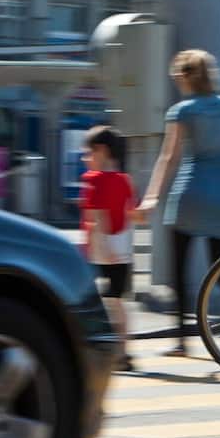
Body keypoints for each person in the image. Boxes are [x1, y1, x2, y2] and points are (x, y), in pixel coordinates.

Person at [135, 49, 220, 357]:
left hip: (189, 195)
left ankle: (182, 342)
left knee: (179, 271)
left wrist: (151, 197)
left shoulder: (183, 111)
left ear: (185, 77)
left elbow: (169, 157)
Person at [81, 125, 135, 371]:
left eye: (88, 153)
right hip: (122, 252)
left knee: (93, 305)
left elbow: (96, 219)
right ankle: (123, 354)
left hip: (100, 255)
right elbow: (130, 214)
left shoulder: (95, 181)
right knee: (117, 304)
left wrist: (96, 250)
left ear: (101, 151)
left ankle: (95, 353)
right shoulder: (124, 180)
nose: (85, 158)